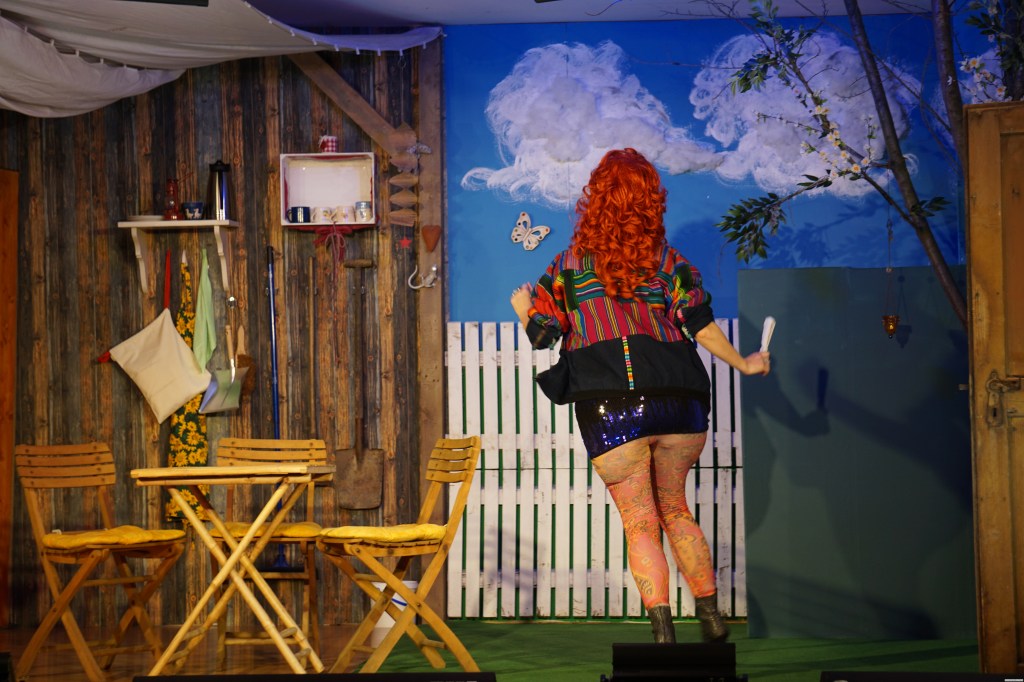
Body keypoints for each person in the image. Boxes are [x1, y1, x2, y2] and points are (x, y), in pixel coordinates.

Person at [510, 147, 770, 644]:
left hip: (611, 408)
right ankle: (712, 618)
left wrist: (524, 307)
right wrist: (744, 363)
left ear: (595, 200)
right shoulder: (669, 262)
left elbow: (544, 335)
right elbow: (699, 324)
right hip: (679, 401)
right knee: (676, 508)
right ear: (651, 202)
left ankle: (663, 635)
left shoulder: (567, 268)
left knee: (640, 522)